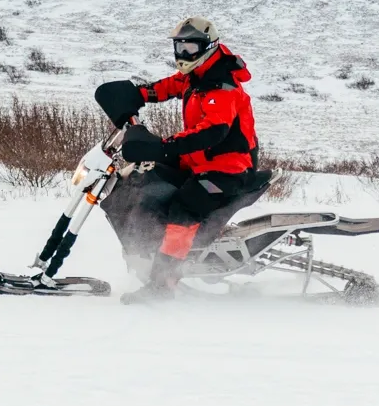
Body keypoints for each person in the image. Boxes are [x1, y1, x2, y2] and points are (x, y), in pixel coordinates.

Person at [94, 17, 260, 303]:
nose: (184, 54)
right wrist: (138, 95)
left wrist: (165, 147)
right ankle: (149, 248)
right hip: (200, 162)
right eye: (180, 47)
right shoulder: (197, 75)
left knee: (184, 208)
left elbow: (212, 132)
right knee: (148, 178)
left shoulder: (220, 86)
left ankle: (163, 284)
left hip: (227, 169)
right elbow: (171, 86)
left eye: (190, 47)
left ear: (208, 46)